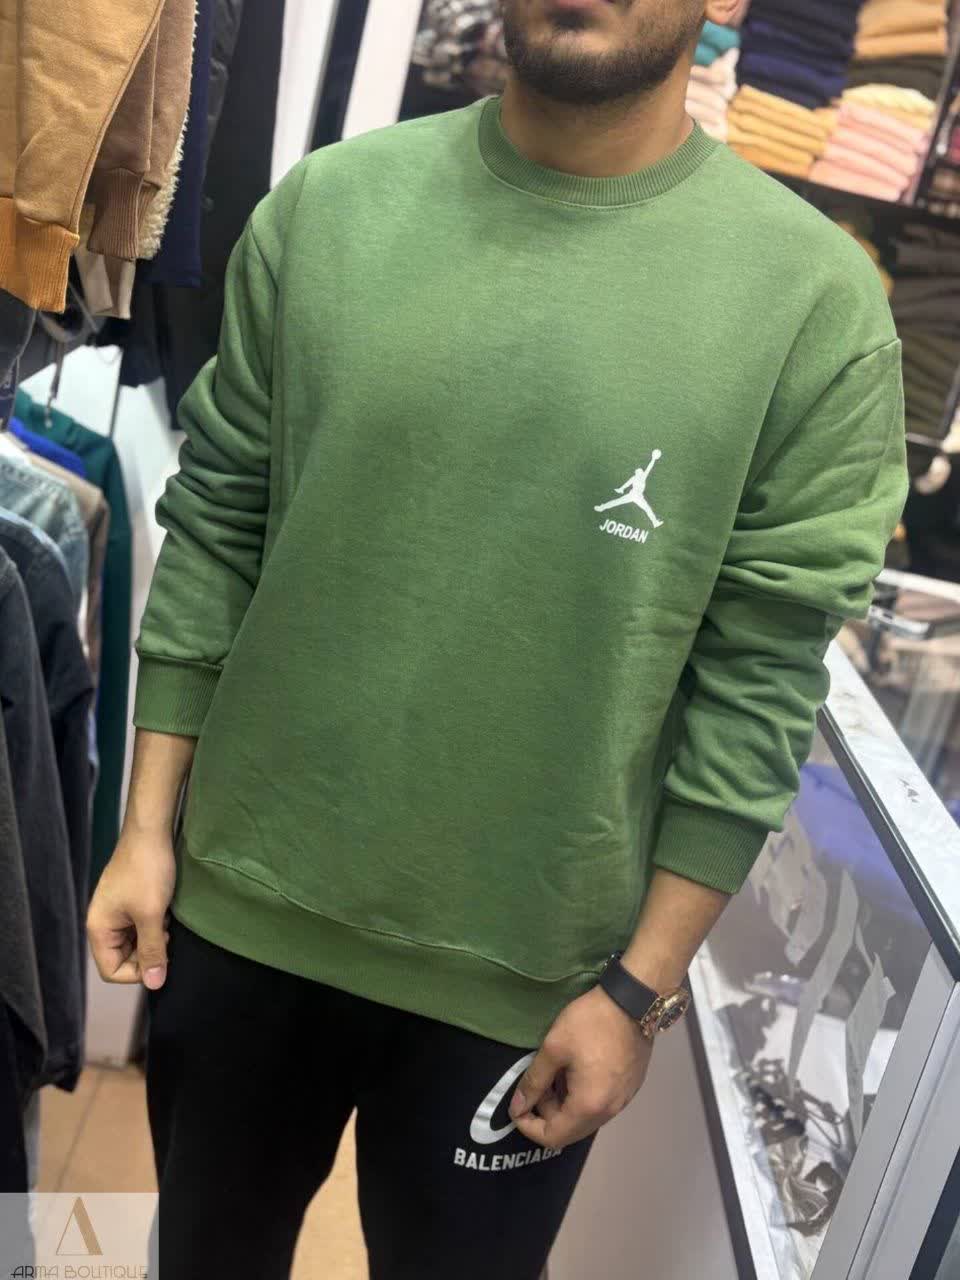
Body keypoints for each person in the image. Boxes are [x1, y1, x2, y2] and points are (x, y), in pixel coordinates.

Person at [87, 0, 907, 1275]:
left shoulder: (813, 304)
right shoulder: (330, 208)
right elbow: (220, 526)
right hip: (242, 917)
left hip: (534, 983)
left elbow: (760, 675)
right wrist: (146, 829)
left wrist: (637, 989)